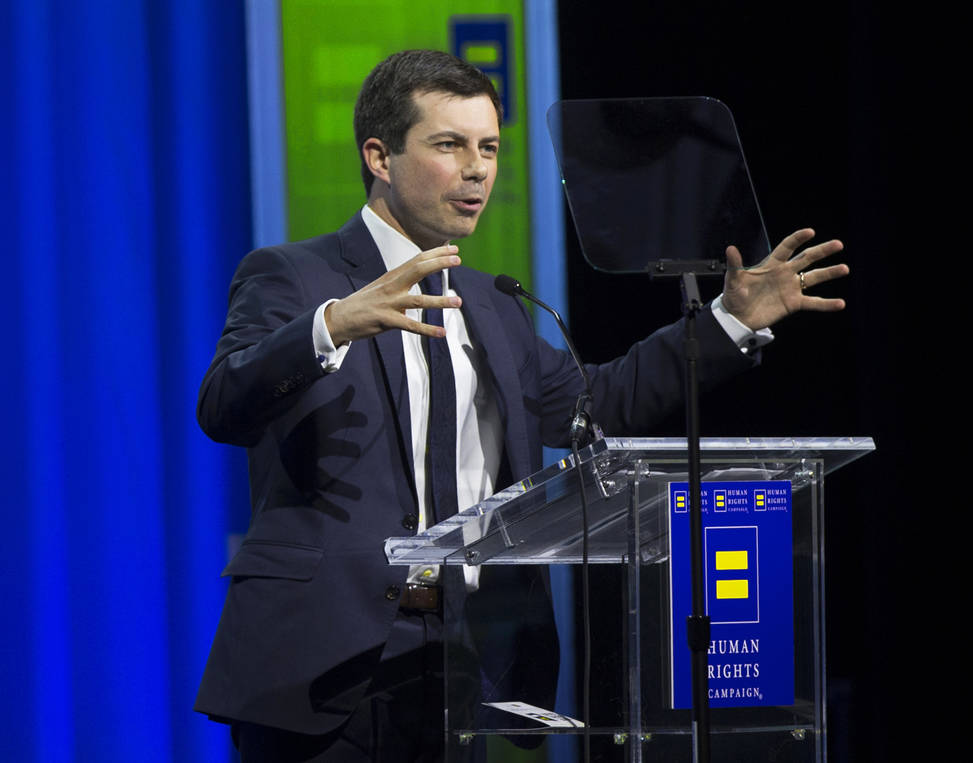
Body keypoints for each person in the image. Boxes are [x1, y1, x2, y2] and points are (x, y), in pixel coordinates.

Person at [194, 49, 848, 762]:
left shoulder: (492, 305)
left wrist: (726, 320)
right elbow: (224, 401)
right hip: (320, 666)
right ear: (379, 156)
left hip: (455, 664)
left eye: (489, 148)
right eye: (450, 145)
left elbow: (598, 406)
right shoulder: (295, 275)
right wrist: (331, 325)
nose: (478, 169)